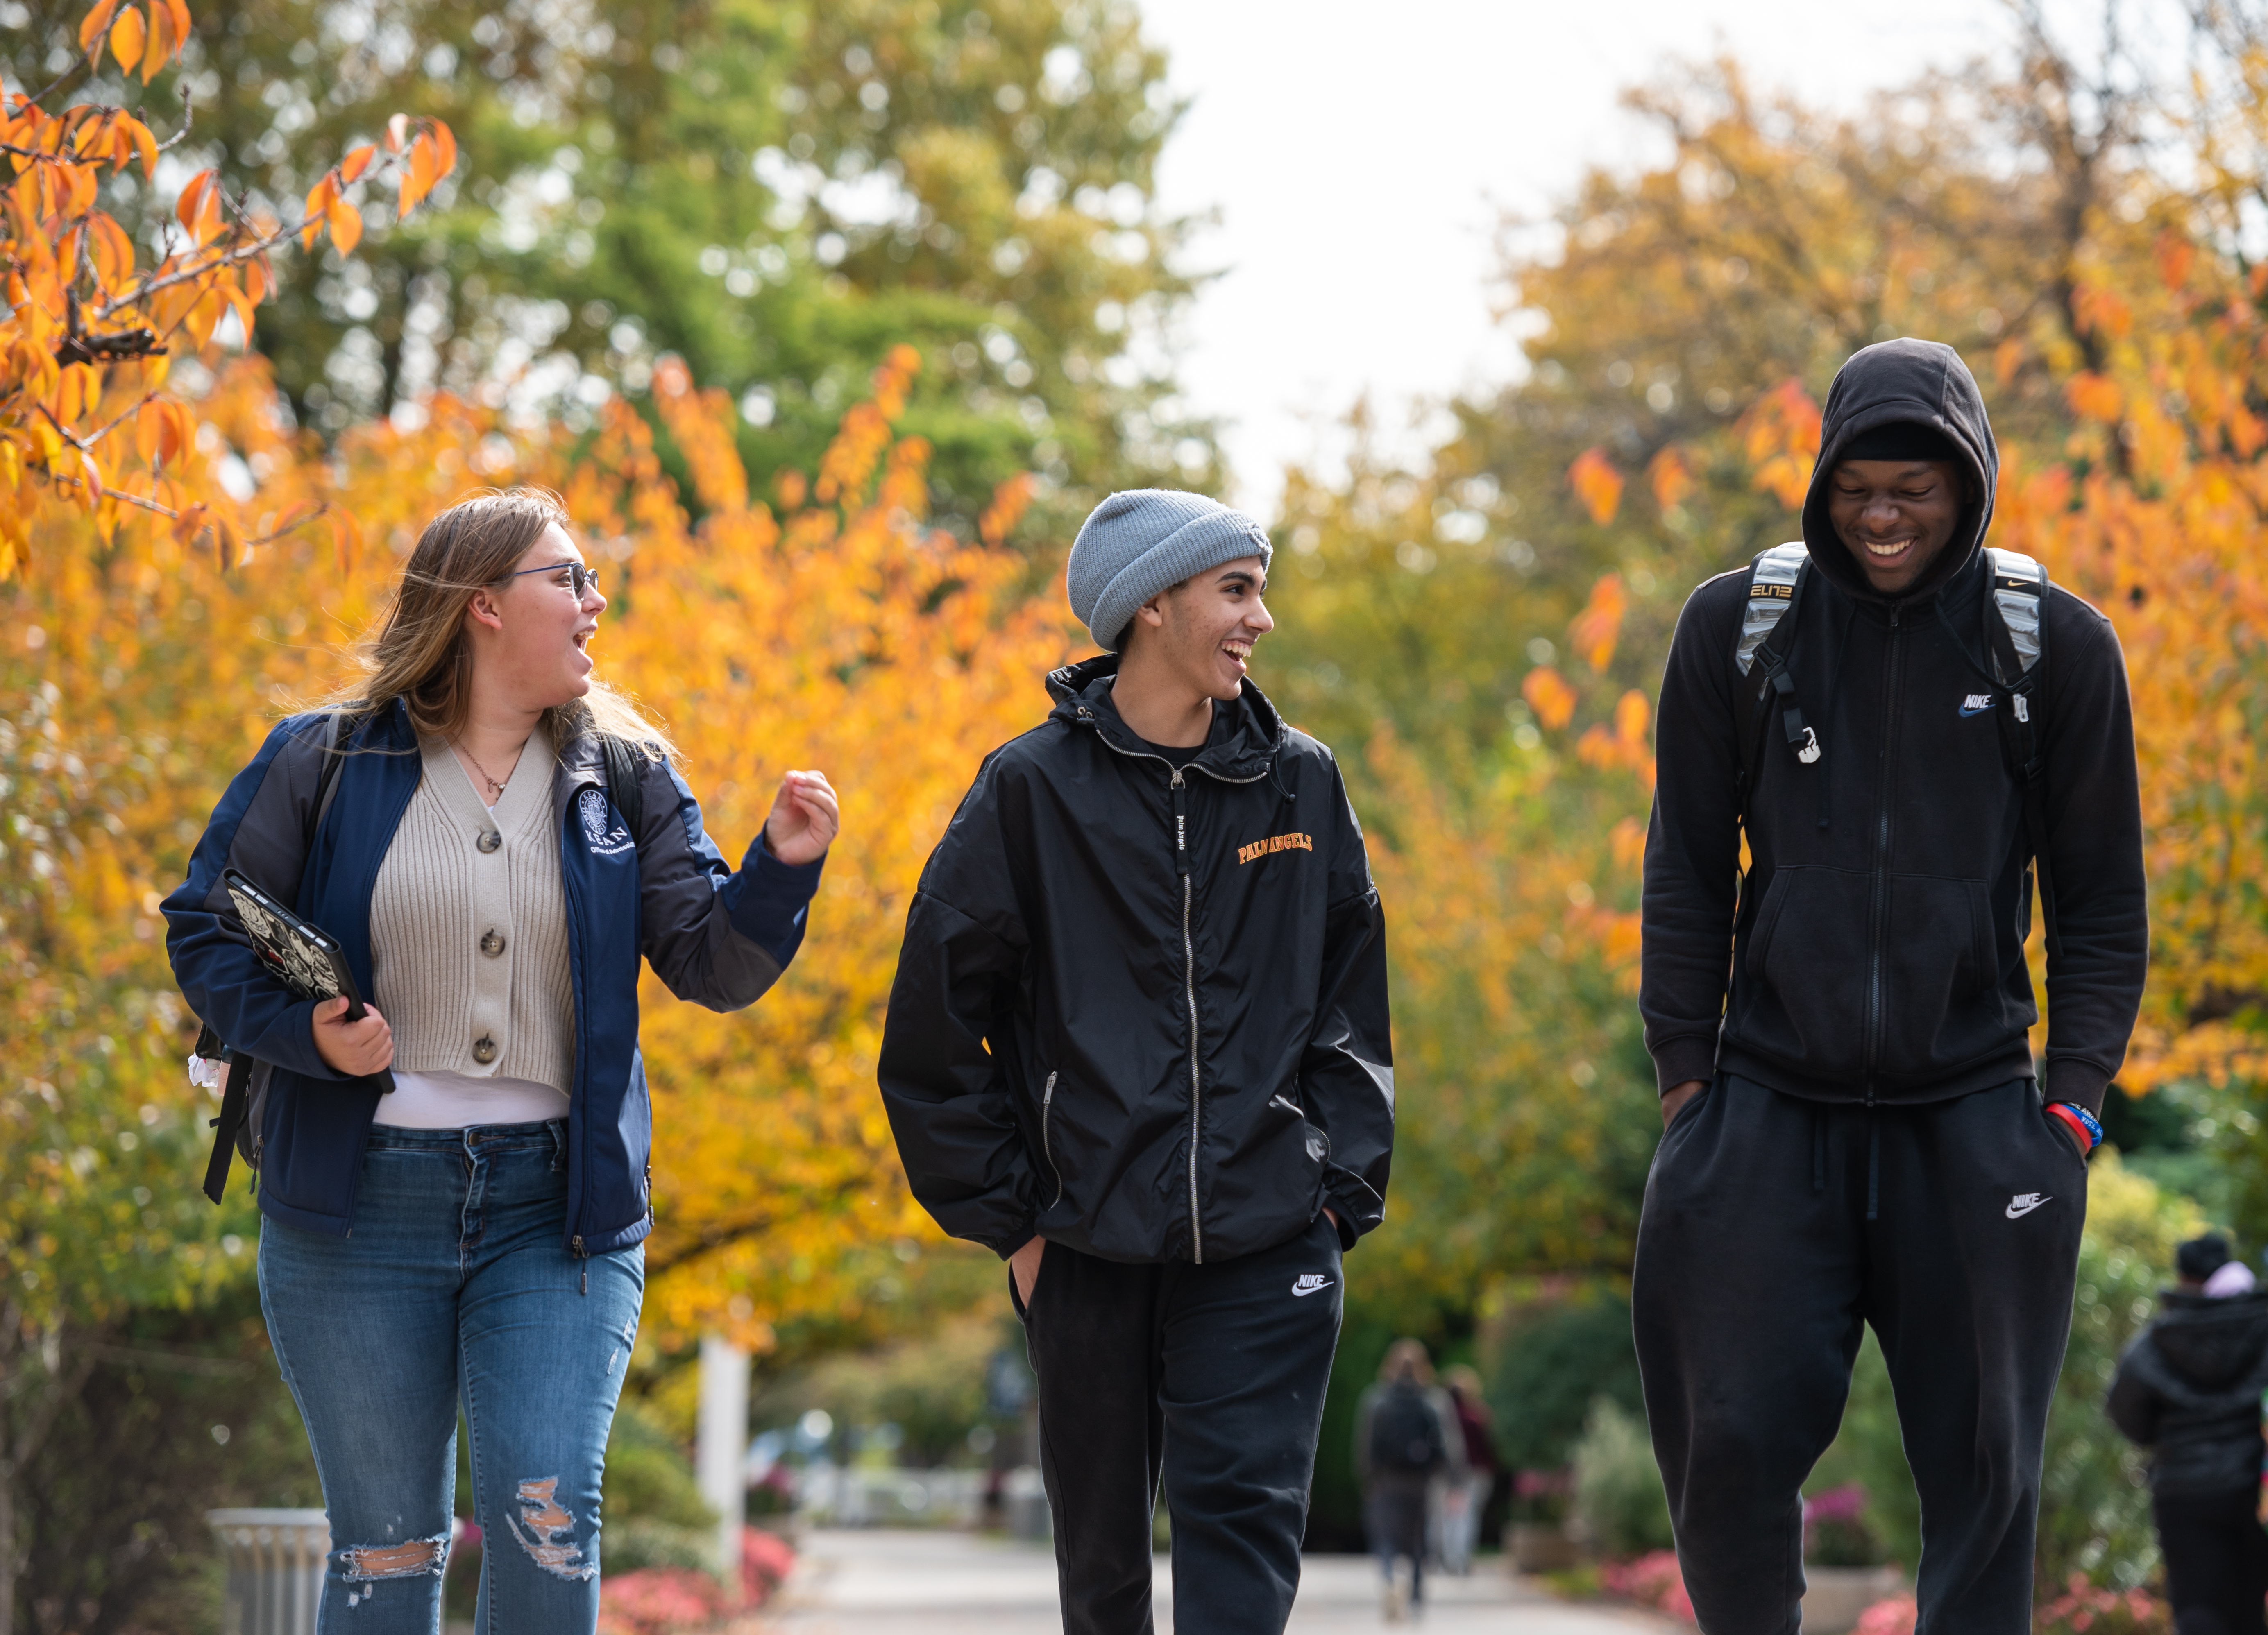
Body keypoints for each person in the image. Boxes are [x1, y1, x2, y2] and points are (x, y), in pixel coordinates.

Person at [163, 489, 839, 1632]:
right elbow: (205, 926)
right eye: (567, 578)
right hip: (354, 1207)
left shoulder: (624, 774)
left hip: (557, 1209)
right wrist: (306, 1037)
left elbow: (712, 965)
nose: (596, 600)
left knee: (549, 1524)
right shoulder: (326, 757)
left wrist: (780, 869)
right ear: (481, 605)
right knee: (385, 1557)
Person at [1631, 338, 2149, 1631]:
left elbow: (2101, 907)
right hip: (1763, 1104)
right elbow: (1684, 872)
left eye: (1912, 488)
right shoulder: (1737, 629)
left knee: (1987, 1472)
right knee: (1727, 1445)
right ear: (1820, 481)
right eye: (1855, 485)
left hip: (1974, 1113)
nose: (1879, 513)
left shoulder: (2053, 647)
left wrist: (2070, 1106)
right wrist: (1686, 1085)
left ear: (1969, 482)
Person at [876, 489, 1395, 1635]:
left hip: (1268, 1235)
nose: (1261, 619)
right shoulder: (1028, 790)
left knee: (1243, 1569)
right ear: (1154, 605)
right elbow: (929, 1032)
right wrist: (1016, 1224)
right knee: (1103, 1582)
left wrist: (1335, 1186)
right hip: (1085, 1242)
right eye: (1237, 590)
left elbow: (1353, 994)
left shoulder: (1300, 781)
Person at [2108, 1233, 2268, 1635]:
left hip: (2185, 1492)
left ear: (2183, 1276)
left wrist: (2166, 1440)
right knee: (2250, 1606)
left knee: (2197, 1605)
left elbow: (2126, 1412)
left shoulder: (2157, 1340)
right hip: (2264, 1486)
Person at [1355, 1340, 1465, 1623]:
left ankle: (1391, 1580)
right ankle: (1415, 1595)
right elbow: (1448, 1443)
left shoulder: (1377, 1399)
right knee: (1419, 1540)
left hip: (1388, 1480)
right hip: (1423, 1481)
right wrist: (1454, 1480)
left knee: (1388, 1537)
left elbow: (1365, 1443)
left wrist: (1368, 1476)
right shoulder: (1433, 1399)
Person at [1436, 1364, 1498, 1574]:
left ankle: (1449, 1558)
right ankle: (1460, 1558)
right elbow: (1488, 1447)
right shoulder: (1476, 1417)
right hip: (1474, 1474)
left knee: (1450, 1518)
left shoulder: (1442, 1417)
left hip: (1451, 1473)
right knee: (1467, 1517)